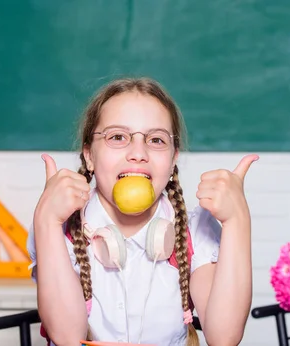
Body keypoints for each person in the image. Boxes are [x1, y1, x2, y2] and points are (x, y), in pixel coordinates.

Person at [27, 77, 258, 346]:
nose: (138, 153)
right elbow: (67, 338)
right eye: (117, 137)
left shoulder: (195, 231)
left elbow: (224, 337)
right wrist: (46, 221)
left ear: (173, 160)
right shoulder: (59, 225)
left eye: (156, 140)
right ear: (89, 155)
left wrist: (237, 220)